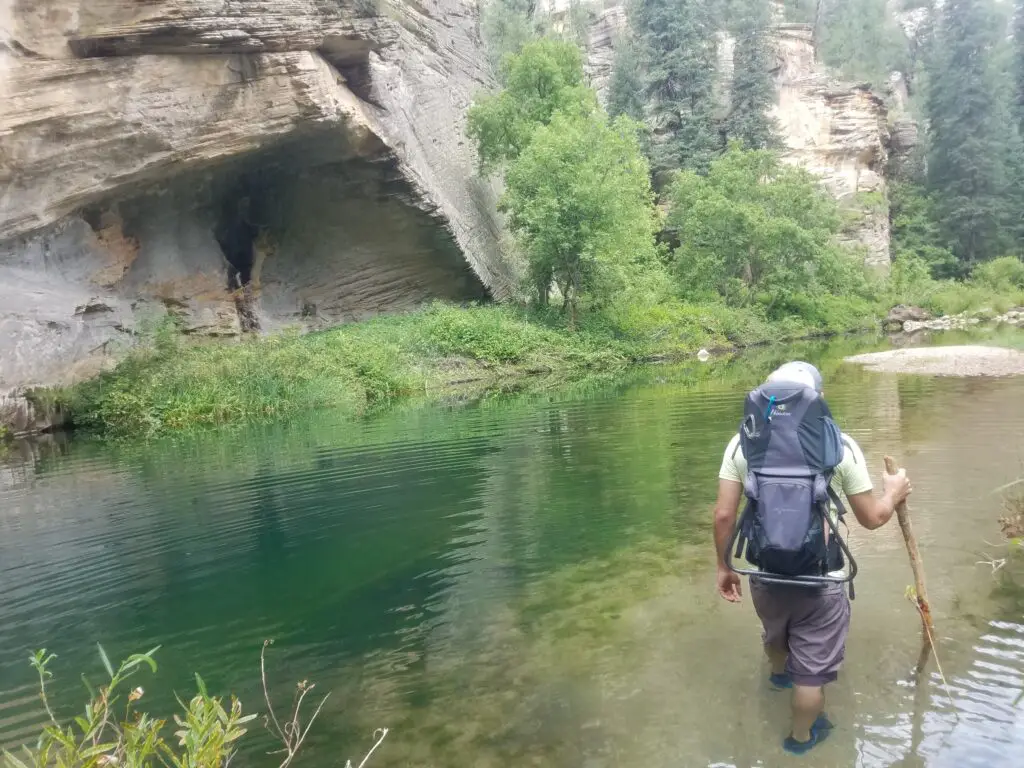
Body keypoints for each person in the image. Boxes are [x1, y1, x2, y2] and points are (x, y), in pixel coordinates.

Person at [712, 361, 912, 755]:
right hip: (822, 578)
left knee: (775, 634)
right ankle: (801, 739)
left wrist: (723, 567)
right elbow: (872, 519)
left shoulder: (741, 442)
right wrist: (894, 491)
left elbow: (723, 515)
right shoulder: (840, 445)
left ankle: (777, 674)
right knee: (813, 676)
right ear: (817, 399)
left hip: (765, 573)